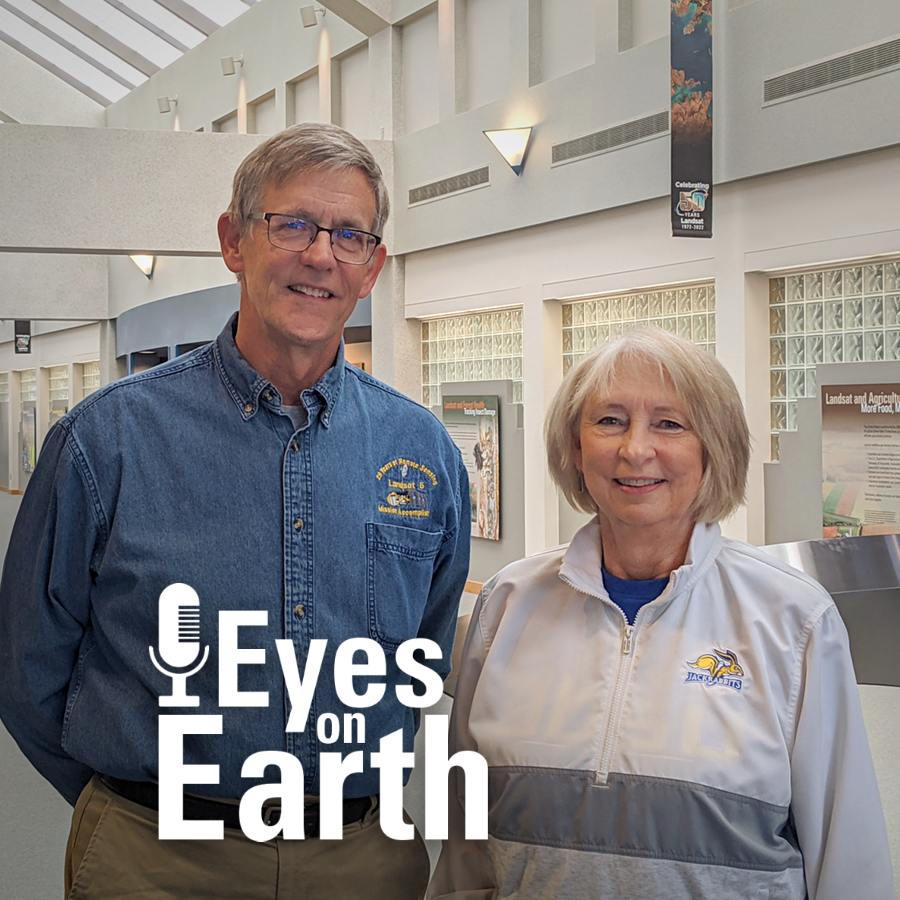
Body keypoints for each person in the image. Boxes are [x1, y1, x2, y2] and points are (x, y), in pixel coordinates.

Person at [0, 123, 471, 899]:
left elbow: (428, 648)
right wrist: (125, 806)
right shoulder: (106, 439)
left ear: (373, 267)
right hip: (155, 858)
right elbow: (27, 668)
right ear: (233, 241)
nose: (321, 255)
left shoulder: (420, 450)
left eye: (350, 235)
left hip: (360, 859)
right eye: (292, 224)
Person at [429, 328, 895, 900]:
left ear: (714, 448)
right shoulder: (510, 603)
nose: (635, 450)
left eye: (669, 424)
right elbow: (466, 839)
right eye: (610, 421)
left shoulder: (793, 619)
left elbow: (847, 858)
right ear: (575, 448)